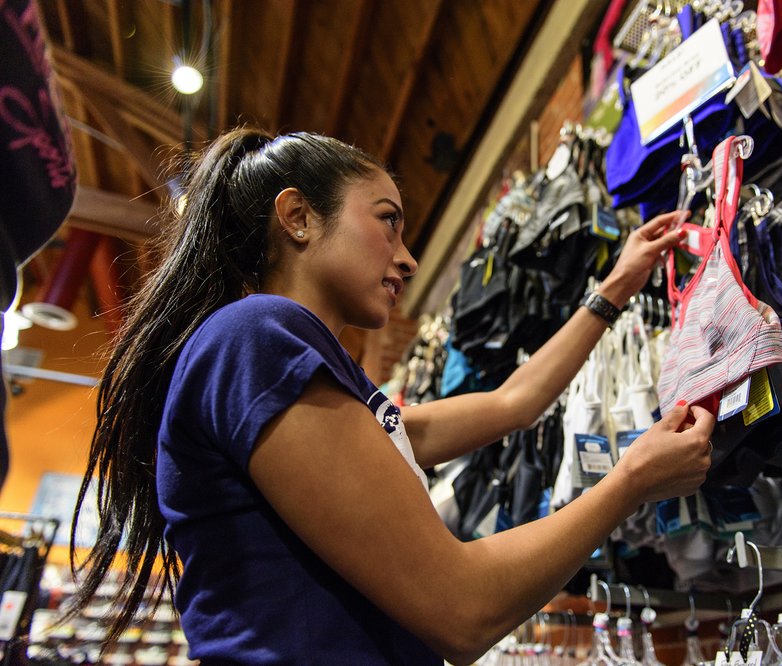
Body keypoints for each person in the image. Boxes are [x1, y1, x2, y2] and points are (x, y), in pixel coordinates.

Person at [71, 127, 714, 664]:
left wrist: (617, 286)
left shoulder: (320, 376)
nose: (408, 259)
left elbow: (515, 402)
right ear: (298, 217)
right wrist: (631, 480)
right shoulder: (258, 336)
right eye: (388, 222)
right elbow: (463, 608)